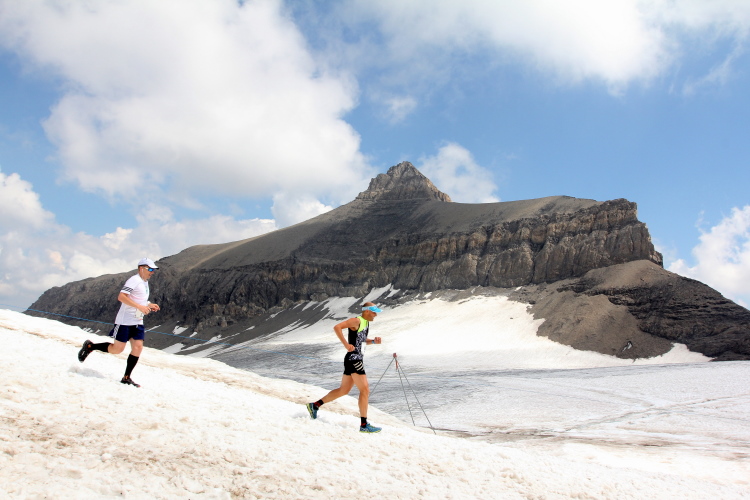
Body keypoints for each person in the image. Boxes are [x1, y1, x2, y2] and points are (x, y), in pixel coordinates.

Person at [77, 258, 161, 387]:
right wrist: (140, 307)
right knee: (117, 349)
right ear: (141, 268)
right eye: (150, 269)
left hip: (137, 321)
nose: (152, 272)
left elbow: (140, 299)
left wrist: (149, 304)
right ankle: (90, 346)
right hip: (125, 322)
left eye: (153, 270)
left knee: (138, 347)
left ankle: (126, 377)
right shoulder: (134, 280)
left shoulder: (145, 282)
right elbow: (121, 297)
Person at [306, 301, 383, 433]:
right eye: (374, 312)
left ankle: (315, 405)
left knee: (343, 390)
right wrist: (346, 345)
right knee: (365, 390)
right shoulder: (356, 321)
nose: (376, 315)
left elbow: (361, 341)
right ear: (367, 311)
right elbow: (337, 327)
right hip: (354, 359)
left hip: (352, 359)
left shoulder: (365, 323)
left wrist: (374, 342)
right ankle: (364, 425)